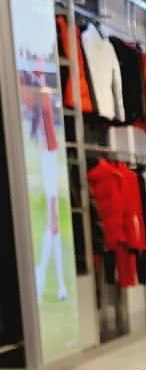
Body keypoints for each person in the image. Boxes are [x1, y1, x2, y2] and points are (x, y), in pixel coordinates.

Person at [24, 64, 66, 302]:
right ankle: (48, 280)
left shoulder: (42, 116)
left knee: (54, 229)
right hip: (48, 168)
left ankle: (55, 283)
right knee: (53, 227)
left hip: (50, 166)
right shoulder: (42, 116)